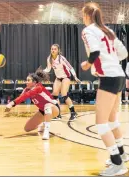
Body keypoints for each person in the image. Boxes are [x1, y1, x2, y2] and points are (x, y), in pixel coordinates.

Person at [81, 2, 128, 176]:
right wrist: (110, 58)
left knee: (101, 125)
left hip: (108, 78)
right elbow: (123, 54)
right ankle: (122, 155)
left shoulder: (87, 31)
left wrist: (87, 64)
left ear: (86, 16)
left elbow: (94, 52)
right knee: (112, 121)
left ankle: (118, 164)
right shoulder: (108, 30)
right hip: (119, 76)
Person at [5, 68, 60, 140]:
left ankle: (46, 131)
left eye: (28, 80)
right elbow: (21, 97)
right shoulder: (26, 89)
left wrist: (11, 103)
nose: (26, 82)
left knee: (47, 106)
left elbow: (26, 95)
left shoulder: (39, 87)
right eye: (26, 80)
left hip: (53, 108)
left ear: (34, 82)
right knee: (27, 128)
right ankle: (43, 124)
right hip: (42, 111)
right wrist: (12, 104)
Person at [43, 44, 80, 121]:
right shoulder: (49, 59)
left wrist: (75, 76)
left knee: (64, 94)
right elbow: (48, 69)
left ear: (58, 50)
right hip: (58, 78)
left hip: (66, 77)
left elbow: (70, 67)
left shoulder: (61, 58)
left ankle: (73, 113)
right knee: (54, 95)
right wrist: (42, 72)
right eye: (52, 49)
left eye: (55, 49)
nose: (53, 50)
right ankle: (58, 114)